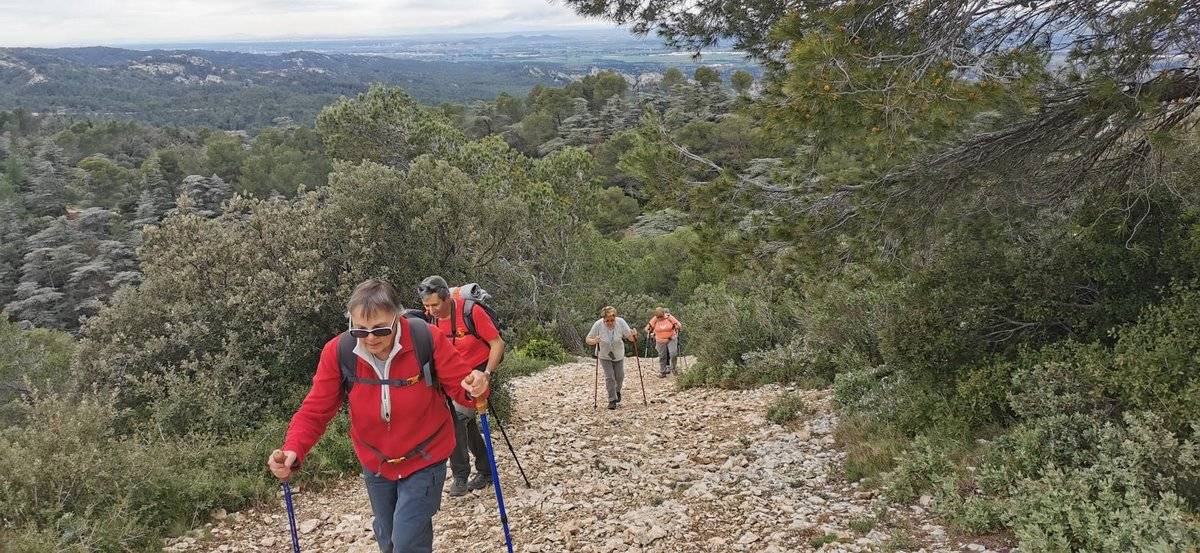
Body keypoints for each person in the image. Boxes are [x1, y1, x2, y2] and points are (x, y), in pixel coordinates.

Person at [267, 278, 490, 553]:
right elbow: (315, 411)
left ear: (398, 318)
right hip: (376, 460)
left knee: (407, 542)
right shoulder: (339, 352)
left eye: (380, 329)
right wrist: (293, 449)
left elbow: (462, 386)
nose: (370, 338)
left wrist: (475, 386)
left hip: (426, 455)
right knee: (388, 540)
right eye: (360, 330)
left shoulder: (424, 338)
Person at [417, 275, 505, 497]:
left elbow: (497, 343)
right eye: (426, 305)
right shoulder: (430, 319)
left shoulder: (471, 311)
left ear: (447, 298)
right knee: (466, 422)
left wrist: (486, 374)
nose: (431, 310)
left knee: (457, 420)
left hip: (476, 373)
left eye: (435, 304)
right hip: (450, 375)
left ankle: (460, 475)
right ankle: (486, 470)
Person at [587, 306, 636, 409]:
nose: (609, 323)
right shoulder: (598, 324)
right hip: (604, 355)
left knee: (620, 376)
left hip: (618, 354)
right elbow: (588, 339)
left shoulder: (621, 322)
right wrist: (594, 341)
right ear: (603, 319)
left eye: (612, 320)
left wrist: (634, 335)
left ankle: (617, 391)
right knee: (610, 377)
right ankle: (612, 400)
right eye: (607, 321)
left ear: (615, 317)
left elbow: (631, 338)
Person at [645, 307, 682, 377]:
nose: (660, 318)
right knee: (662, 356)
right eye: (658, 317)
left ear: (664, 314)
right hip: (660, 340)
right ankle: (663, 372)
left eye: (661, 316)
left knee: (673, 354)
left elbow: (679, 325)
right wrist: (650, 333)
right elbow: (647, 328)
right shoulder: (655, 319)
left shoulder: (669, 317)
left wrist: (677, 327)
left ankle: (674, 369)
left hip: (671, 338)